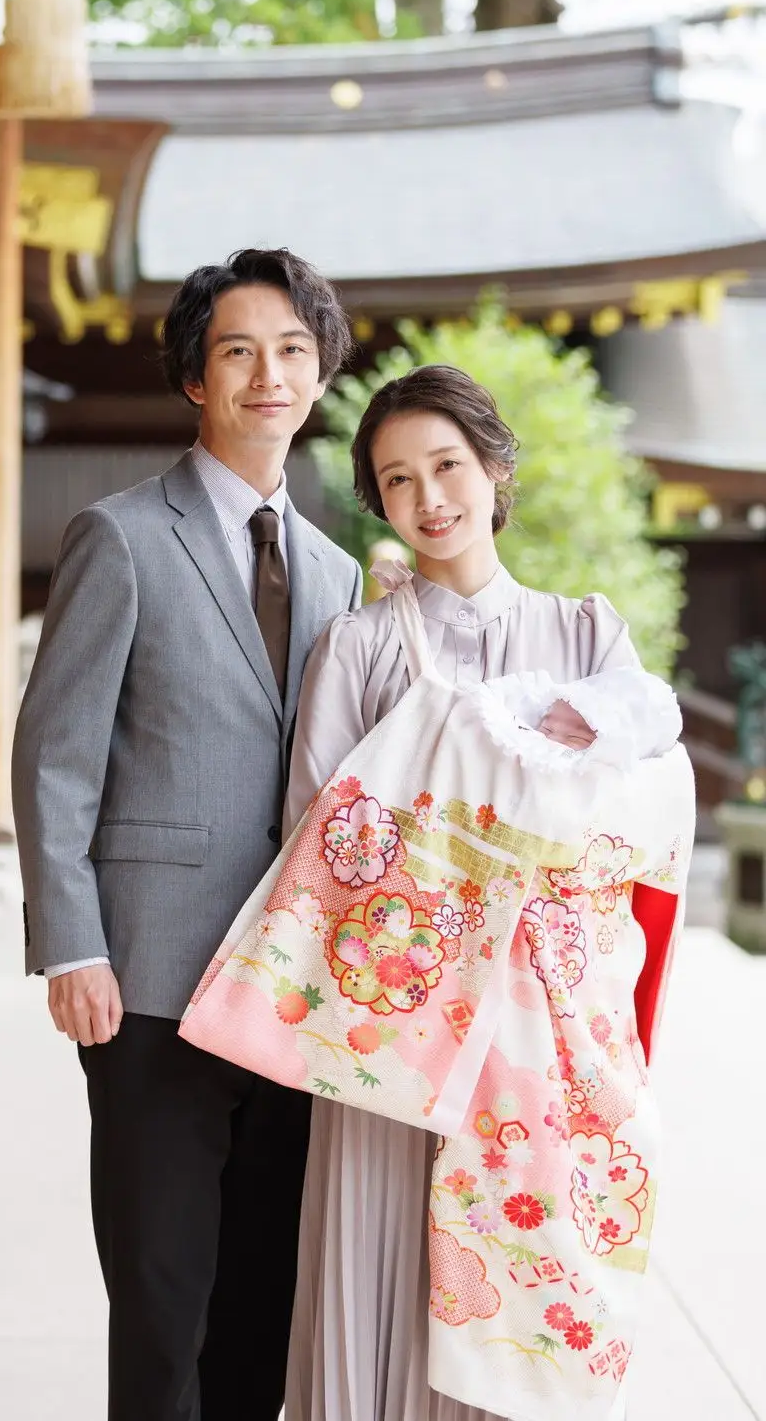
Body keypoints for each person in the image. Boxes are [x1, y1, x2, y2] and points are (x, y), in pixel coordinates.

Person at [281, 363, 683, 1421]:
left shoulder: (585, 635)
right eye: (398, 480)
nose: (430, 498)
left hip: (539, 1028)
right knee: (385, 1247)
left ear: (495, 469)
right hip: (404, 1014)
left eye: (448, 466)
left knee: (522, 1260)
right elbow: (315, 835)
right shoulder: (358, 647)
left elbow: (645, 804)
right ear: (379, 500)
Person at [13, 248, 363, 1421]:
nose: (270, 373)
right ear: (194, 379)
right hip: (150, 980)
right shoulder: (120, 536)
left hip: (287, 989)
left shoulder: (339, 572)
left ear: (319, 378)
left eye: (294, 351)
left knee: (265, 1298)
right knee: (166, 1303)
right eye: (239, 350)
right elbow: (56, 755)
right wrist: (72, 947)